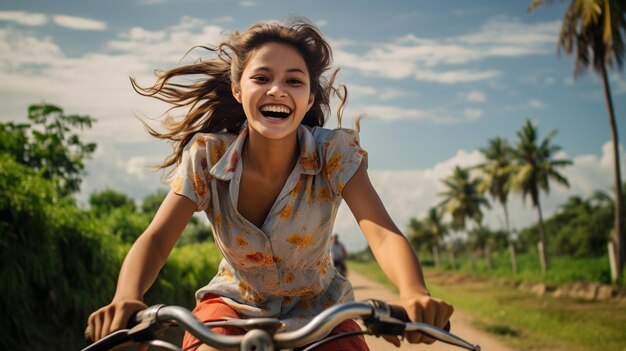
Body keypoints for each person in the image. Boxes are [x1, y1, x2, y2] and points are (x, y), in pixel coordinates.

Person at [86, 18, 453, 351]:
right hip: (231, 308)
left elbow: (384, 234)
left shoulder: (335, 153)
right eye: (261, 78)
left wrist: (413, 292)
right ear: (237, 90)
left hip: (322, 313)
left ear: (308, 98)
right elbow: (157, 237)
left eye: (293, 80)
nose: (277, 89)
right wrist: (126, 297)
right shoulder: (206, 157)